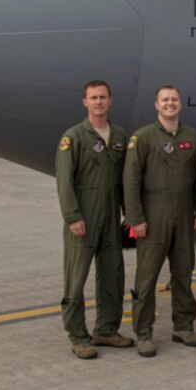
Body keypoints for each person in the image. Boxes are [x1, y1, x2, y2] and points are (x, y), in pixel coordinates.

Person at [123, 85, 196, 358]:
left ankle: (183, 326)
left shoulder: (192, 136)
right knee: (146, 278)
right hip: (153, 216)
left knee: (183, 274)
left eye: (174, 99)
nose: (170, 104)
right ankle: (144, 333)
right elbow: (131, 180)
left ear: (180, 104)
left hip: (184, 215)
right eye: (165, 100)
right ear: (156, 105)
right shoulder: (143, 137)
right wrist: (135, 218)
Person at [56, 80, 132, 359]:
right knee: (76, 278)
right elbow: (64, 183)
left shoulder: (120, 135)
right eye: (93, 98)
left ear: (111, 100)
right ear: (85, 102)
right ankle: (78, 336)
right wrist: (73, 216)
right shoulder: (73, 137)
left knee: (112, 275)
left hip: (111, 215)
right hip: (84, 216)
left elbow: (126, 180)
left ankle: (106, 330)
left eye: (103, 97)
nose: (99, 102)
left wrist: (129, 214)